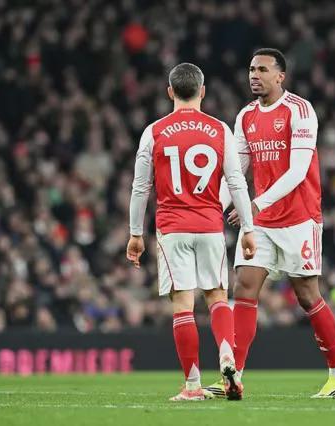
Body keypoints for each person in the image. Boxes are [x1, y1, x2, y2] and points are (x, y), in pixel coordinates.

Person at [205, 48, 335, 400]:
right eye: (251, 69)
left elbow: (298, 171)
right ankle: (233, 378)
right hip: (262, 221)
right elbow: (236, 171)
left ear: (280, 76)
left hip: (299, 218)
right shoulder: (246, 116)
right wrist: (215, 209)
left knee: (307, 295)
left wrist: (254, 204)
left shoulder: (300, 110)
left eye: (262, 69)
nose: (254, 75)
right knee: (244, 287)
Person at [126, 63, 257, 401]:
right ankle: (226, 354)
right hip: (210, 226)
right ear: (203, 91)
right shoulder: (220, 130)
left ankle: (193, 385)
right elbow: (236, 183)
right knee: (217, 297)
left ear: (170, 91)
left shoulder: (154, 132)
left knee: (183, 305)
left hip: (173, 229)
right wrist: (248, 228)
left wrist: (136, 233)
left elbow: (140, 187)